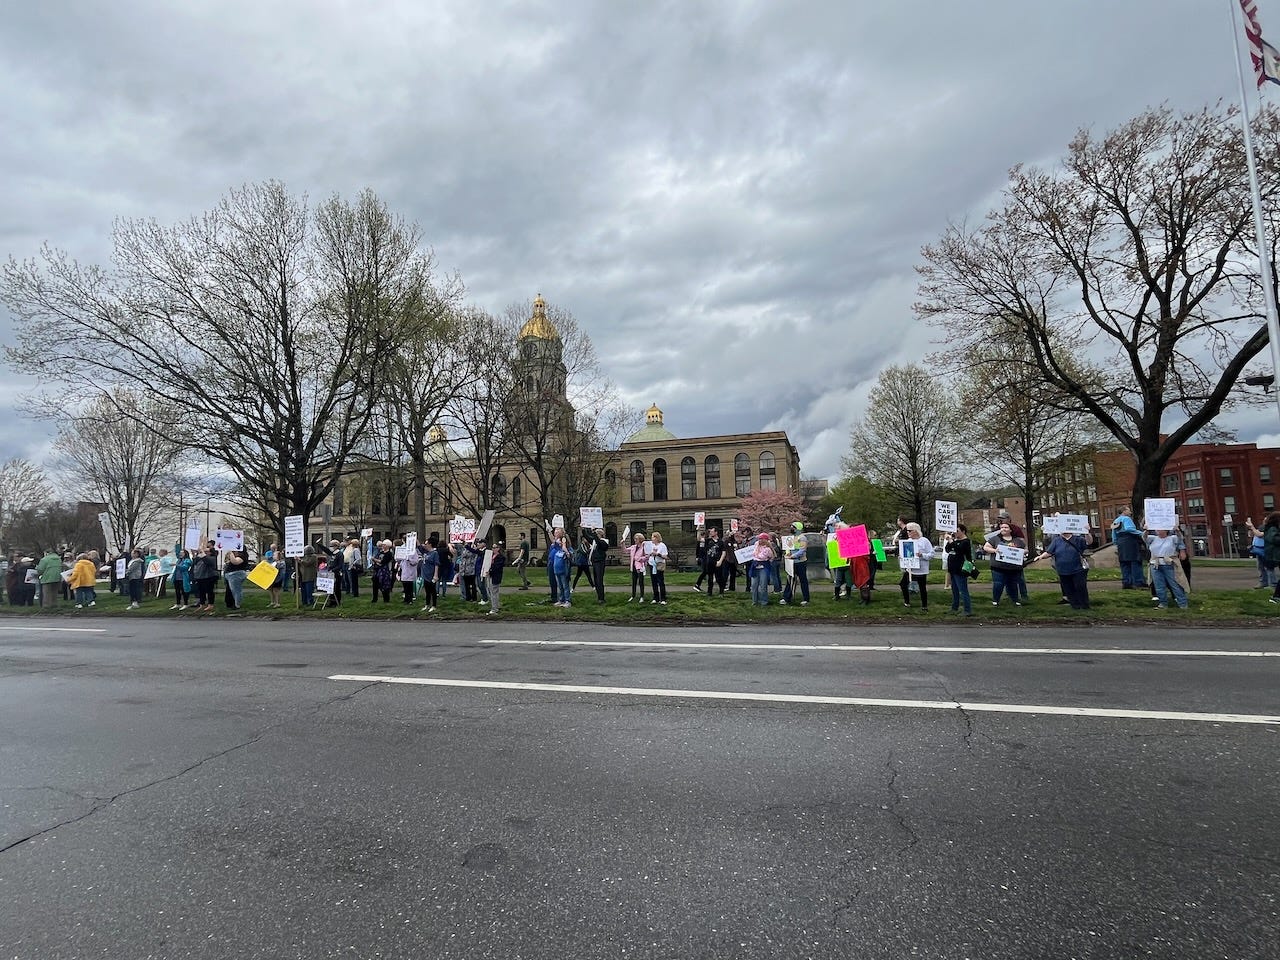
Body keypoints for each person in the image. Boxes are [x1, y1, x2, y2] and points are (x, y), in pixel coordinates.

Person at [1038, 528, 1092, 610]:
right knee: (1068, 589)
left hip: (1078, 569)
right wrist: (1041, 556)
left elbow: (1089, 542)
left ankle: (1084, 605)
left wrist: (1087, 532)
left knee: (1080, 587)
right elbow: (1049, 552)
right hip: (1062, 570)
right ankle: (1075, 606)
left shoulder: (1078, 539)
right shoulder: (1056, 540)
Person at [983, 521, 1027, 606]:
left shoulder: (1017, 540)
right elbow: (986, 547)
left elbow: (1025, 549)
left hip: (1013, 567)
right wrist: (995, 550)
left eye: (1006, 527)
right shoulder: (995, 538)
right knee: (998, 584)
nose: (1003, 529)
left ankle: (1015, 600)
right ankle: (995, 600)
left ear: (1010, 530)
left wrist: (1019, 551)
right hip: (998, 567)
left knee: (1013, 584)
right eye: (1002, 527)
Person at [1145, 527, 1188, 610]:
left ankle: (1183, 603)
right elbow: (1144, 537)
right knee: (1159, 585)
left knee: (1175, 584)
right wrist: (1146, 530)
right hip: (1155, 564)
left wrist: (1177, 530)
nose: (1158, 530)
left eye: (1160, 528)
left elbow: (1180, 538)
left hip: (1168, 564)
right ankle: (1163, 603)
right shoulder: (1152, 538)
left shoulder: (1172, 538)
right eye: (1157, 529)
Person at [898, 522, 934, 610]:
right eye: (907, 531)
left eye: (909, 531)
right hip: (910, 569)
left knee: (922, 587)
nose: (908, 532)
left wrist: (922, 555)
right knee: (903, 584)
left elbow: (931, 554)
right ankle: (907, 602)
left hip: (921, 569)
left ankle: (924, 605)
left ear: (915, 531)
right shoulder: (908, 541)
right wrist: (902, 557)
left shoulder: (924, 541)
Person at [1111, 507, 1147, 589]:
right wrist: (1141, 533)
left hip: (1121, 542)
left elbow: (1113, 534)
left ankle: (1127, 582)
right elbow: (1129, 529)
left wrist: (1116, 543)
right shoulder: (1126, 519)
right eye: (1128, 510)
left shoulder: (1116, 521)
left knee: (1124, 563)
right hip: (1130, 541)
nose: (1130, 512)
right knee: (1135, 561)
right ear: (1124, 511)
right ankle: (1138, 582)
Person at [944, 524, 974, 616]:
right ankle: (954, 607)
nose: (955, 533)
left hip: (961, 568)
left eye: (957, 531)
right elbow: (947, 549)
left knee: (963, 590)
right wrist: (950, 541)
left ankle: (967, 609)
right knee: (954, 589)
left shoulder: (966, 542)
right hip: (953, 568)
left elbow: (960, 550)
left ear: (963, 531)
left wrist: (951, 541)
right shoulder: (955, 541)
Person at [782, 522, 810, 606]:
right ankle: (787, 598)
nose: (791, 528)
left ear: (797, 529)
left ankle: (806, 599)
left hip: (800, 562)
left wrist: (792, 556)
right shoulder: (791, 537)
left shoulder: (802, 538)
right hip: (791, 562)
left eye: (793, 527)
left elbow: (802, 550)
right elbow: (788, 548)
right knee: (790, 580)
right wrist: (787, 554)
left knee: (803, 580)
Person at [749, 533, 774, 606]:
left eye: (761, 539)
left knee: (763, 585)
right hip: (755, 566)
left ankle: (764, 601)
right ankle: (755, 601)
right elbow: (754, 554)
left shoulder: (768, 549)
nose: (759, 540)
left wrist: (761, 558)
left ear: (765, 540)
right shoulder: (756, 545)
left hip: (763, 567)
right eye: (759, 539)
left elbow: (767, 557)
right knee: (754, 585)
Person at [191, 546, 218, 612]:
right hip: (200, 577)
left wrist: (202, 553)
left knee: (209, 591)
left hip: (208, 577)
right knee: (201, 591)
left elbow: (207, 561)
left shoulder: (212, 558)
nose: (205, 552)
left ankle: (210, 604)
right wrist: (194, 554)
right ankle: (202, 604)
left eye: (207, 551)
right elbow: (195, 562)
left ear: (210, 553)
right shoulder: (201, 557)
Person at [549, 533, 572, 607]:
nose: (558, 542)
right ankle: (561, 600)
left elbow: (570, 557)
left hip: (564, 571)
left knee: (565, 586)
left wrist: (566, 551)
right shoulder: (557, 549)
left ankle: (567, 601)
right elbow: (553, 541)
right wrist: (549, 531)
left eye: (560, 541)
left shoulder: (568, 550)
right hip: (557, 571)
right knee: (560, 587)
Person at [419, 539, 440, 613]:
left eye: (426, 544)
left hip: (431, 574)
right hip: (425, 574)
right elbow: (419, 546)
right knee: (427, 591)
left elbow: (436, 564)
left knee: (433, 591)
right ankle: (427, 604)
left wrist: (435, 575)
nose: (425, 545)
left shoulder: (435, 553)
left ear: (430, 544)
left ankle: (434, 605)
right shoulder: (426, 552)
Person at [647, 531, 669, 604]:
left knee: (660, 581)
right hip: (652, 564)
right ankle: (655, 598)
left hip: (659, 564)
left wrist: (657, 554)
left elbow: (665, 556)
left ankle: (663, 598)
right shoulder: (651, 545)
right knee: (654, 581)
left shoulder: (662, 545)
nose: (652, 538)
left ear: (657, 538)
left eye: (653, 537)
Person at [589, 527, 609, 604]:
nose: (596, 535)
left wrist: (594, 532)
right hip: (594, 562)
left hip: (600, 562)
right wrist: (584, 528)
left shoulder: (604, 542)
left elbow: (598, 542)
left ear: (600, 534)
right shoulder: (595, 542)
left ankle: (601, 598)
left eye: (597, 534)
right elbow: (587, 537)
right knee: (596, 581)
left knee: (599, 580)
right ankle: (599, 597)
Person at [626, 532, 648, 603]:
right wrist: (622, 543)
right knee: (634, 582)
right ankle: (633, 595)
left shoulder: (644, 547)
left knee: (641, 582)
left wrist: (640, 559)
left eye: (636, 539)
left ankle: (642, 597)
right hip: (633, 566)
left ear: (640, 539)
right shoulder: (633, 547)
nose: (635, 540)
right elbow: (625, 550)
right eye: (634, 539)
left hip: (640, 567)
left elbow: (647, 556)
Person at [487, 542, 506, 615]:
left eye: (494, 548)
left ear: (498, 548)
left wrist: (490, 570)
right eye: (492, 548)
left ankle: (494, 609)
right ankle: (496, 606)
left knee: (494, 592)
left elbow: (497, 567)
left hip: (496, 576)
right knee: (491, 591)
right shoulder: (492, 556)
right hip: (491, 575)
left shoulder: (500, 557)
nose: (493, 549)